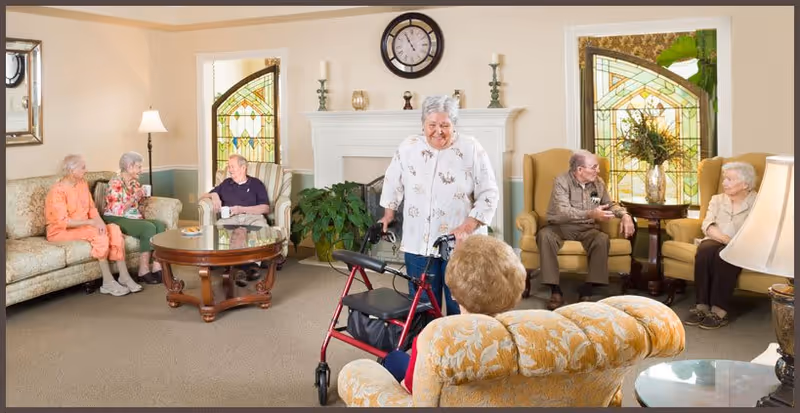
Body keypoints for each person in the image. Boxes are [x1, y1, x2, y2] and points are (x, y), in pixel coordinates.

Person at [378, 95, 499, 316]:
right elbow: (392, 180)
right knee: (422, 303)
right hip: (418, 241)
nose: (438, 131)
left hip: (460, 242)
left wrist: (467, 227)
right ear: (423, 124)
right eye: (432, 125)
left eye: (445, 125)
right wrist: (388, 213)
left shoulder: (472, 148)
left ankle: (461, 348)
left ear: (454, 125)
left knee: (460, 302)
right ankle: (427, 348)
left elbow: (489, 194)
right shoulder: (409, 147)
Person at [380, 235, 526, 394]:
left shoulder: (429, 340)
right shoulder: (530, 333)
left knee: (393, 358)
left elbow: (411, 391)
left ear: (453, 295)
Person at [537, 149, 635, 310]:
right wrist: (591, 213)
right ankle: (555, 289)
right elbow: (563, 211)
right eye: (594, 167)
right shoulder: (561, 181)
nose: (598, 170)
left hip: (587, 228)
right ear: (579, 169)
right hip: (561, 226)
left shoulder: (598, 183)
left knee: (602, 239)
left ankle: (588, 288)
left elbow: (609, 204)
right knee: (544, 236)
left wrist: (625, 215)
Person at [45, 154, 139, 296]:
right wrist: (92, 223)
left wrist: (100, 223)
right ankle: (107, 282)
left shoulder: (82, 183)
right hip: (60, 231)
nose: (86, 170)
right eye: (83, 168)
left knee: (113, 229)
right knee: (98, 233)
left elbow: (91, 209)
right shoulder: (57, 191)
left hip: (84, 226)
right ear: (71, 171)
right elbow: (64, 221)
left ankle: (124, 276)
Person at [683, 162, 758, 330]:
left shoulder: (757, 202)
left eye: (729, 179)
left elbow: (758, 229)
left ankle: (719, 310)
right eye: (724, 179)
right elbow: (707, 225)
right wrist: (724, 238)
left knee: (724, 255)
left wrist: (732, 243)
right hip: (717, 238)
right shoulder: (717, 200)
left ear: (745, 184)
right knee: (705, 250)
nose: (724, 183)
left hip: (742, 244)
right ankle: (701, 305)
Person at [199, 154, 270, 286]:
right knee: (216, 229)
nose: (229, 169)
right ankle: (237, 267)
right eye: (228, 166)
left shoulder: (256, 184)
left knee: (262, 228)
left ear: (243, 168)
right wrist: (214, 195)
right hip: (230, 219)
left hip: (252, 217)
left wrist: (240, 209)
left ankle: (250, 266)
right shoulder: (226, 183)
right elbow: (202, 196)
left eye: (232, 166)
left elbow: (265, 208)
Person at [103, 151, 167, 285]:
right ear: (129, 166)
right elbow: (117, 209)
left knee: (160, 225)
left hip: (131, 217)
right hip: (115, 217)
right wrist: (134, 198)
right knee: (147, 228)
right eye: (138, 166)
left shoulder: (134, 183)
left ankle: (157, 266)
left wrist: (143, 199)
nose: (141, 170)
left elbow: (137, 206)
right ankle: (143, 270)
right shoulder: (115, 182)